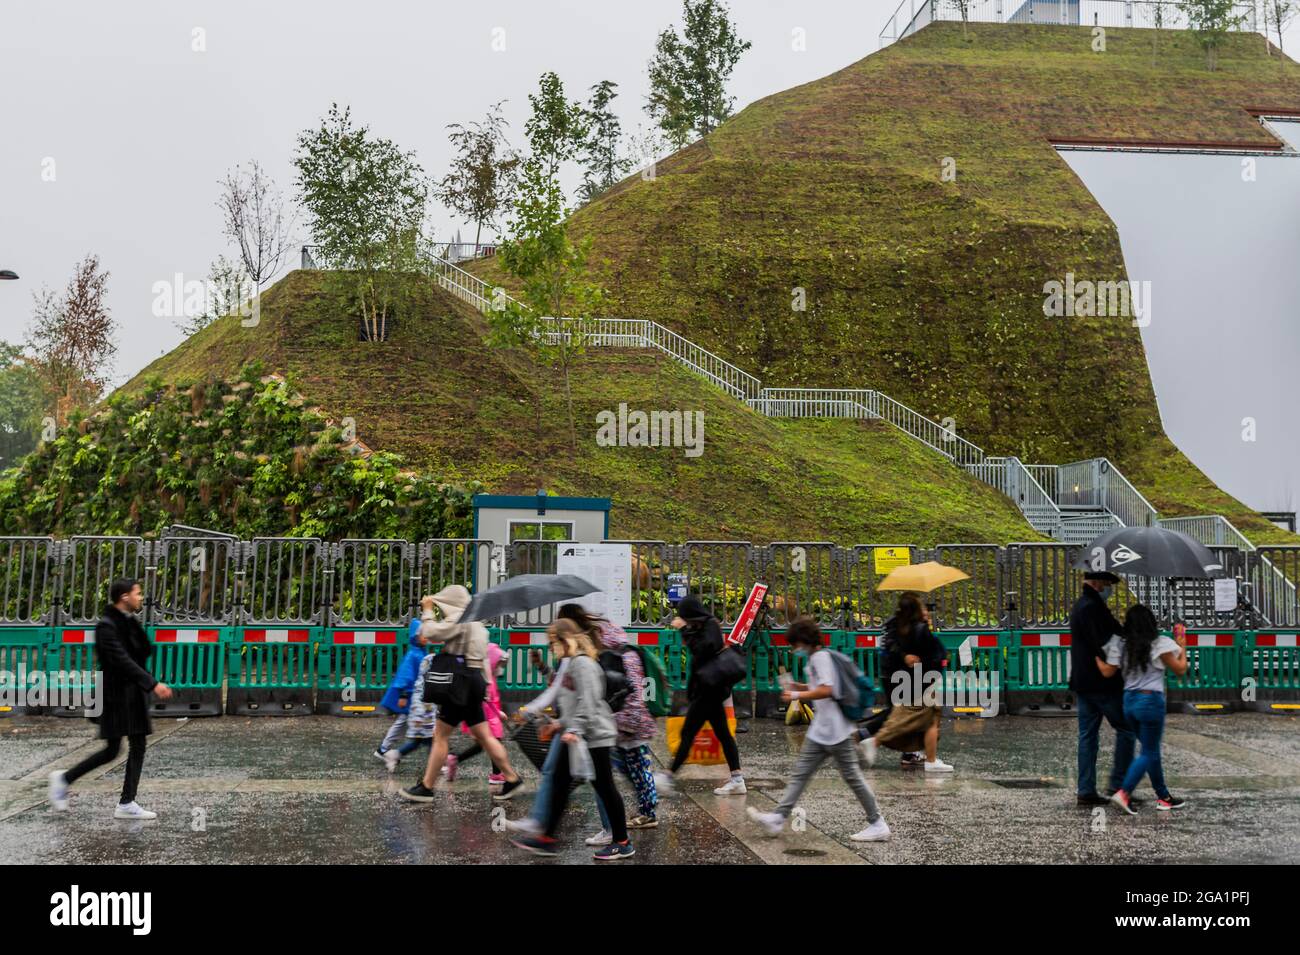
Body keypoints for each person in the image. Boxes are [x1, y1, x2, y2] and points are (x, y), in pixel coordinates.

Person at [747, 616, 890, 841]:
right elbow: (818, 687)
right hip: (822, 730)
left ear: (804, 641)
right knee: (801, 774)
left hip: (836, 731)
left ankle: (877, 822)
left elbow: (827, 690)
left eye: (795, 644)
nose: (794, 649)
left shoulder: (820, 658)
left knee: (852, 777)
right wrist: (799, 686)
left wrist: (796, 694)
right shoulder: (817, 658)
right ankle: (778, 818)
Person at [509, 619, 634, 860]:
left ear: (564, 640)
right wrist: (557, 724)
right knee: (559, 781)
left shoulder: (583, 664)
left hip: (595, 735)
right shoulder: (570, 664)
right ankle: (547, 838)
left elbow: (588, 702)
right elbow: (567, 701)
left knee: (604, 786)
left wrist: (573, 729)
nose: (550, 647)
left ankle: (622, 841)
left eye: (552, 642)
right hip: (579, 734)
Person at [48, 579, 174, 818]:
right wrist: (153, 684)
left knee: (138, 744)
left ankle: (127, 803)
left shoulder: (126, 622)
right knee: (112, 749)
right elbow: (121, 660)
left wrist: (133, 622)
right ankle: (63, 779)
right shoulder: (105, 627)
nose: (141, 597)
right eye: (137, 593)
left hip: (133, 694)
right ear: (124, 597)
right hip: (114, 696)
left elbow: (144, 651)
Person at [399, 585, 522, 802]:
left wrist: (427, 610)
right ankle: (512, 779)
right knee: (485, 736)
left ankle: (427, 787)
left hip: (459, 682)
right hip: (473, 680)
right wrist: (482, 688)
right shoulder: (478, 624)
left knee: (441, 735)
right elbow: (483, 659)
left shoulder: (460, 618)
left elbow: (430, 632)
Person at [556, 604, 660, 841]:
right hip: (619, 722)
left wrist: (621, 722)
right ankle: (636, 816)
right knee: (623, 771)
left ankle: (632, 822)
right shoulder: (614, 650)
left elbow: (629, 693)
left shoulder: (614, 655)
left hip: (623, 722)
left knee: (626, 771)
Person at [1097, 605, 1189, 813]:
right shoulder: (1159, 645)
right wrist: (1183, 646)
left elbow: (1107, 672)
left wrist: (1091, 655)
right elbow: (1181, 669)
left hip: (1129, 703)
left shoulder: (1121, 646)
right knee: (1148, 751)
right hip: (1150, 702)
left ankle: (1163, 796)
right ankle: (1124, 793)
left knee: (1151, 750)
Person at [654, 595, 745, 797]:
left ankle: (668, 776)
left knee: (688, 733)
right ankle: (737, 779)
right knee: (723, 735)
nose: (683, 619)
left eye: (685, 616)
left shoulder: (710, 624)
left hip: (708, 692)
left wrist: (683, 630)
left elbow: (704, 651)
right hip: (707, 691)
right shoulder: (701, 626)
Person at [859, 592, 953, 773]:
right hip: (917, 681)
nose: (925, 610)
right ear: (915, 609)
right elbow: (934, 654)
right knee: (906, 717)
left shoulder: (899, 625)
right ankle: (873, 740)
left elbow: (898, 648)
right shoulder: (917, 629)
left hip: (903, 679)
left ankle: (915, 755)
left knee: (907, 716)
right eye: (922, 606)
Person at [1069, 571, 1138, 807]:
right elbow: (1105, 640)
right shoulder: (1092, 607)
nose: (1110, 588)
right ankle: (1119, 785)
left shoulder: (1084, 605)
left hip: (1083, 681)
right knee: (1126, 729)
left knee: (1087, 736)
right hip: (1101, 681)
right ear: (1097, 583)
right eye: (1108, 584)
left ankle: (1086, 788)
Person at [443, 642, 508, 789]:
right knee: (495, 744)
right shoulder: (487, 681)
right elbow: (488, 703)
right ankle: (497, 774)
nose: (499, 667)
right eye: (498, 663)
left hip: (488, 718)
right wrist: (499, 713)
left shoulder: (489, 678)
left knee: (480, 746)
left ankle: (455, 759)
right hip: (488, 719)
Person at [375, 613, 429, 772]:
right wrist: (404, 694)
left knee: (403, 723)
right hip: (413, 696)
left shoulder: (418, 652)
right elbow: (406, 675)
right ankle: (384, 749)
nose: (426, 637)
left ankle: (384, 749)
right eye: (422, 634)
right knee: (404, 723)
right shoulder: (414, 654)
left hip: (416, 696)